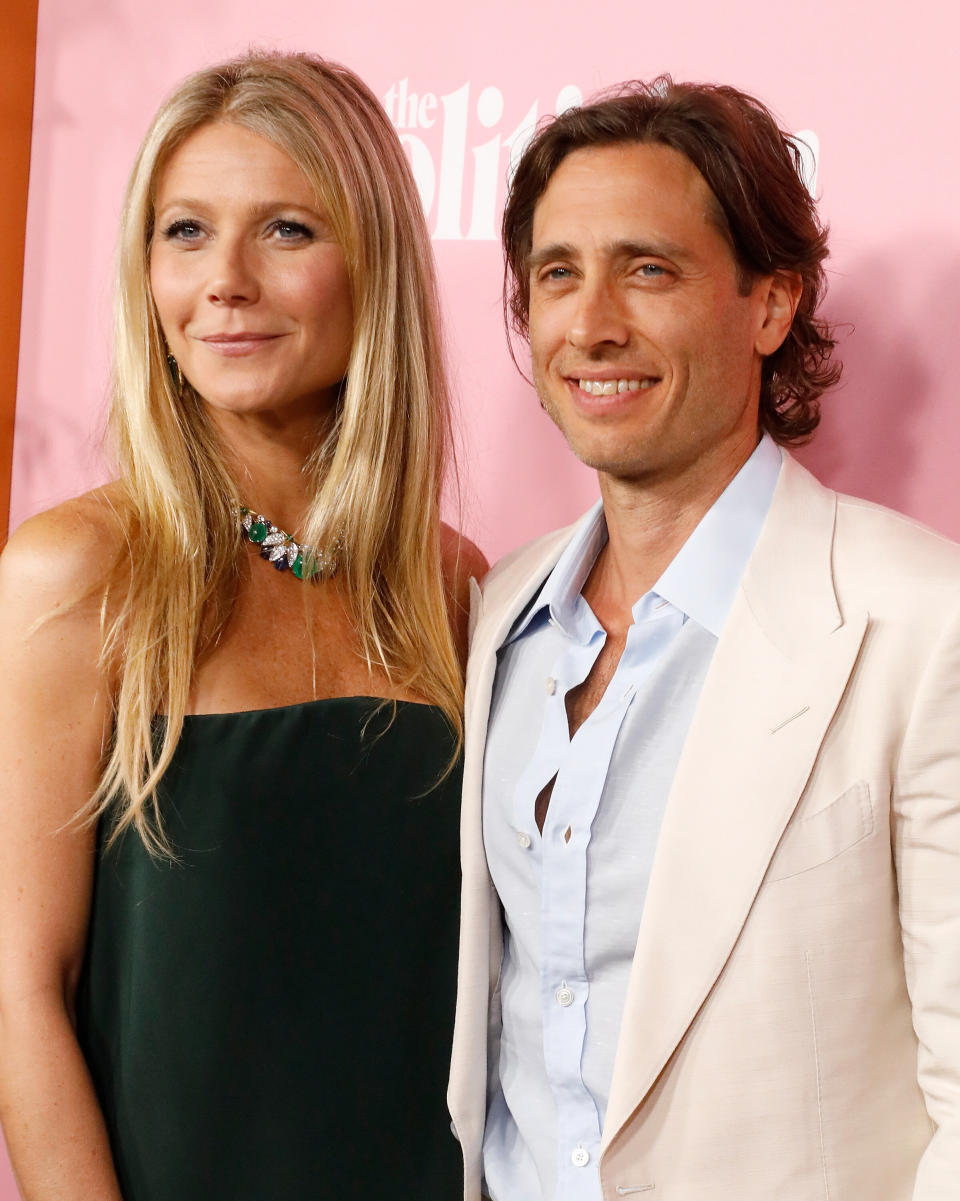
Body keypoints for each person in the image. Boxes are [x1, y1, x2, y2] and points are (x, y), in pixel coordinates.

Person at [447, 78, 960, 1201]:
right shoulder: (500, 614)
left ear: (770, 306)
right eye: (557, 275)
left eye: (648, 268)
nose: (591, 324)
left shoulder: (923, 623)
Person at [0, 51, 485, 1201]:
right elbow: (20, 988)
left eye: (284, 231)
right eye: (184, 231)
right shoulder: (77, 575)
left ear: (371, 266)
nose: (223, 280)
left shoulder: (455, 589)